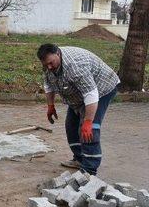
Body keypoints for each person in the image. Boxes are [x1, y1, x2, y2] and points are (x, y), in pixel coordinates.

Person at [37, 43, 119, 175]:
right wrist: (50, 106)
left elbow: (91, 94)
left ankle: (90, 170)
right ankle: (79, 159)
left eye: (51, 63)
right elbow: (48, 84)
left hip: (102, 89)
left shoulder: (75, 66)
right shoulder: (48, 66)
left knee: (88, 129)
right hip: (79, 95)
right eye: (46, 64)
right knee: (71, 125)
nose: (49, 67)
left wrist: (88, 122)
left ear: (58, 53)